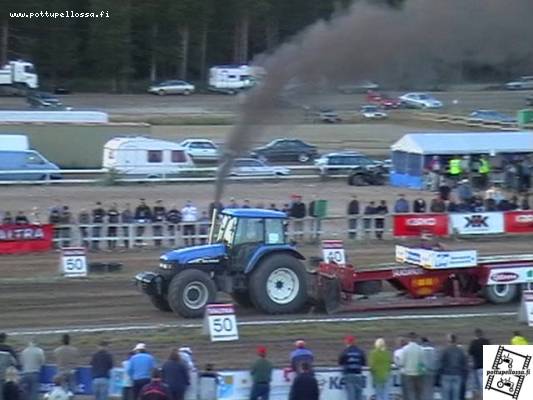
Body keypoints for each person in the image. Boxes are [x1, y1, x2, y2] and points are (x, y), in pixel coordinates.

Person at [438, 334, 467, 400]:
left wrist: (439, 374)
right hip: (457, 375)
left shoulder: (444, 350)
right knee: (456, 396)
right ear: (456, 340)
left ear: (449, 340)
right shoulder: (460, 351)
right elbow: (464, 363)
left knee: (446, 396)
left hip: (446, 375)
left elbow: (440, 363)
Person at [338, 336, 366, 400]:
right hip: (358, 375)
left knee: (351, 396)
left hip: (349, 375)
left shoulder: (345, 351)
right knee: (359, 396)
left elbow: (340, 362)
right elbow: (364, 363)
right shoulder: (360, 351)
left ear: (347, 342)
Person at [399, 332, 425, 400]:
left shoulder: (405, 349)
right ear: (416, 338)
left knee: (408, 394)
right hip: (418, 374)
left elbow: (401, 362)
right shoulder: (420, 349)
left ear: (409, 339)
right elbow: (422, 363)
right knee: (418, 394)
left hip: (407, 374)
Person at [468, 329, 489, 400]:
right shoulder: (486, 341)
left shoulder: (473, 342)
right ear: (482, 334)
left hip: (477, 366)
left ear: (475, 334)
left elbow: (470, 352)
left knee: (477, 386)